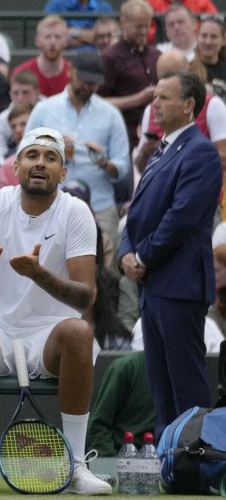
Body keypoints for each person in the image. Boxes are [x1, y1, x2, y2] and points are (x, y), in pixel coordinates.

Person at [0, 127, 110, 495]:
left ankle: (76, 464)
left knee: (79, 331)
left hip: (50, 336)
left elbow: (84, 298)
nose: (39, 163)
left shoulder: (76, 212)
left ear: (63, 172)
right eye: (32, 155)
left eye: (50, 157)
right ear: (16, 165)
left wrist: (39, 274)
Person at [120, 71, 222, 437]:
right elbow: (136, 214)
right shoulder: (160, 150)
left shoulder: (201, 152)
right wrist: (125, 254)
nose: (155, 104)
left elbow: (181, 217)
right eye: (155, 97)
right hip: (153, 285)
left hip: (179, 284)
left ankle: (196, 460)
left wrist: (141, 258)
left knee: (186, 386)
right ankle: (171, 462)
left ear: (189, 105)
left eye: (164, 97)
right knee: (160, 386)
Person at [27, 49, 131, 257]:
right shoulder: (45, 108)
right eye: (84, 80)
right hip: (51, 202)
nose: (88, 87)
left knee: (103, 267)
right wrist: (52, 148)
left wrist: (103, 162)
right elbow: (25, 153)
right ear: (71, 72)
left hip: (99, 205)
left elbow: (122, 168)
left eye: (93, 83)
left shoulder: (110, 114)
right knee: (49, 264)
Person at [100, 0, 161, 149]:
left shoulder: (157, 56)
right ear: (123, 23)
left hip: (157, 136)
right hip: (124, 137)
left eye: (147, 26)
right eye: (138, 27)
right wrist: (138, 99)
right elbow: (97, 104)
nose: (144, 32)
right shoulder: (110, 57)